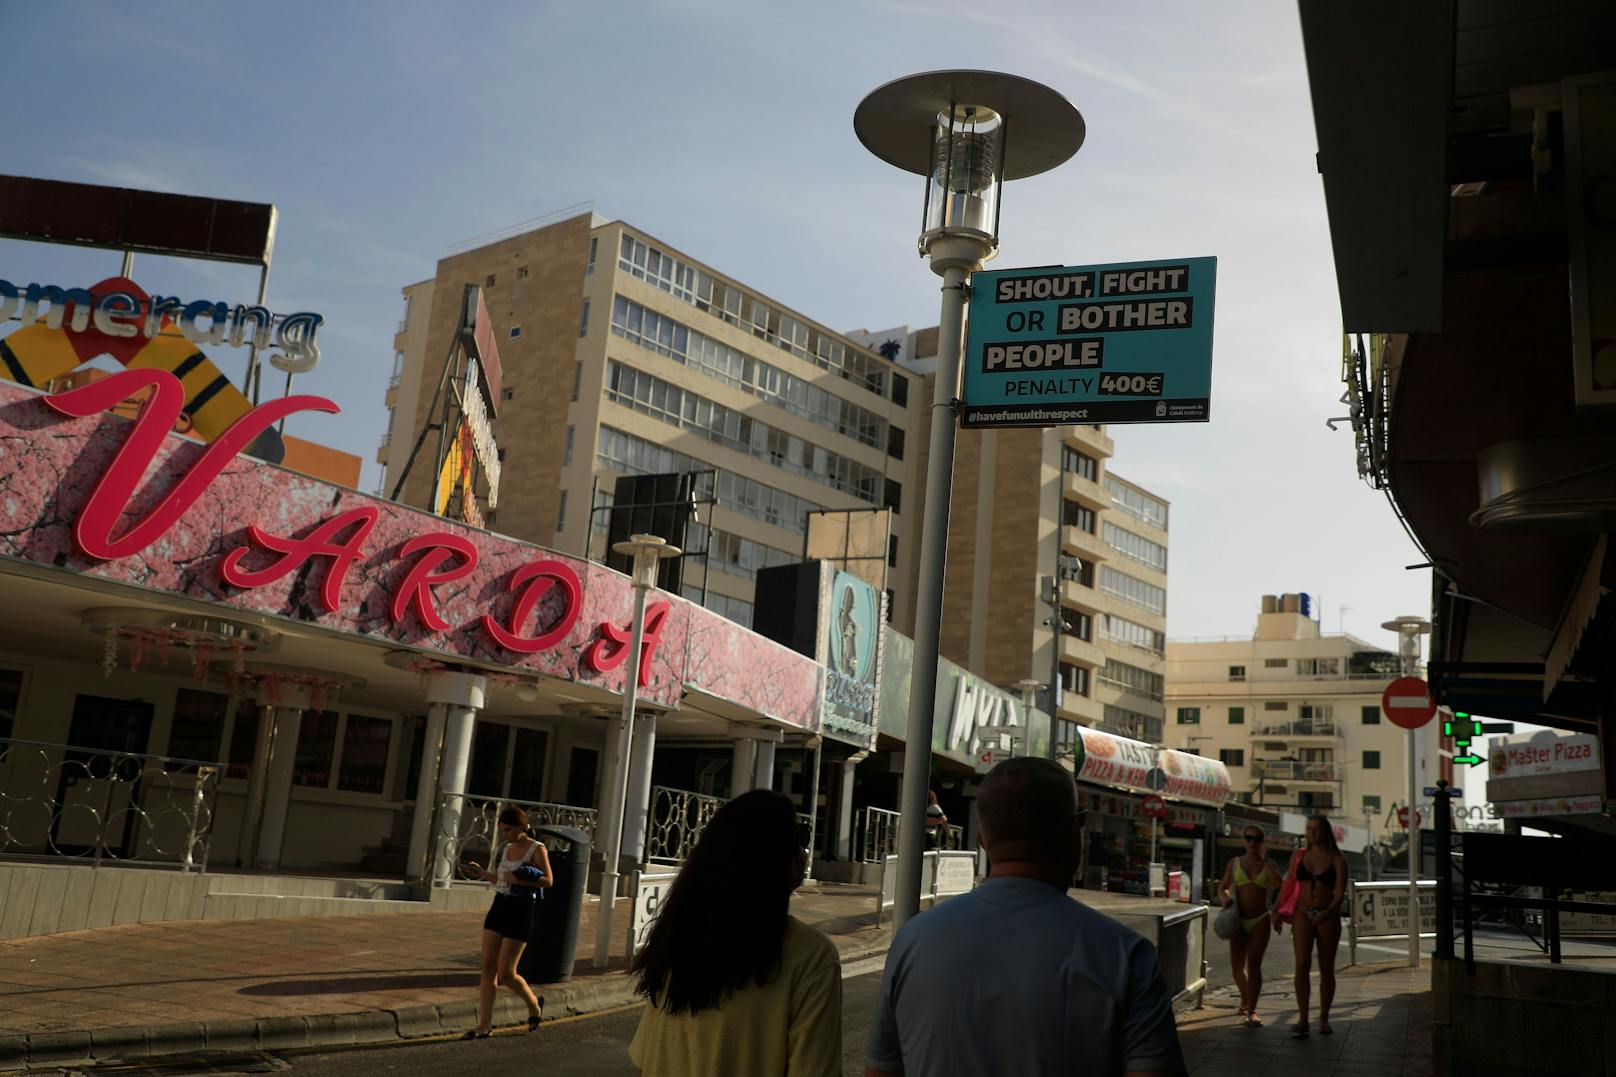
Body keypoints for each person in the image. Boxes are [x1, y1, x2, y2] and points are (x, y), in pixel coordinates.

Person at [866, 757, 1186, 1077]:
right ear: (1074, 832)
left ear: (981, 836)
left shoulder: (912, 940)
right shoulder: (1126, 955)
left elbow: (880, 1070)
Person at [629, 789, 841, 1076]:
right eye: (799, 840)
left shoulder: (680, 939)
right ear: (785, 862)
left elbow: (645, 1065)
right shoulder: (811, 956)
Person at [460, 806, 551, 1038]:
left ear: (522, 826)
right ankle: (484, 1024)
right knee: (487, 967)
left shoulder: (536, 848)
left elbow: (548, 881)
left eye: (509, 830)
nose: (505, 835)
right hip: (500, 905)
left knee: (507, 972)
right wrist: (482, 873)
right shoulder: (507, 848)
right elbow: (501, 880)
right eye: (502, 831)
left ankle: (533, 1005)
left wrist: (520, 881)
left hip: (521, 909)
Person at [1274, 814, 1348, 1037]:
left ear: (1325, 831)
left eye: (1316, 829)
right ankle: (1303, 1018)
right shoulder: (1300, 856)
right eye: (1309, 829)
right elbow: (1289, 883)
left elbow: (1339, 893)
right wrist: (1276, 910)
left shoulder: (1337, 859)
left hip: (1327, 915)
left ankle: (1324, 1018)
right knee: (1302, 964)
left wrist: (1327, 912)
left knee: (1326, 967)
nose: (1312, 833)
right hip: (1302, 912)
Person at [1217, 826, 1280, 1027]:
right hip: (1238, 919)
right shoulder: (1234, 863)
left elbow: (1280, 885)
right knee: (1236, 968)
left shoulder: (1268, 865)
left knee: (1254, 965)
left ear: (1262, 842)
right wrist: (1225, 898)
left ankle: (1252, 1010)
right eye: (1249, 838)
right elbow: (1223, 886)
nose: (1252, 842)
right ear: (1244, 840)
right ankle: (1245, 997)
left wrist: (1265, 861)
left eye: (1257, 839)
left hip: (1260, 919)